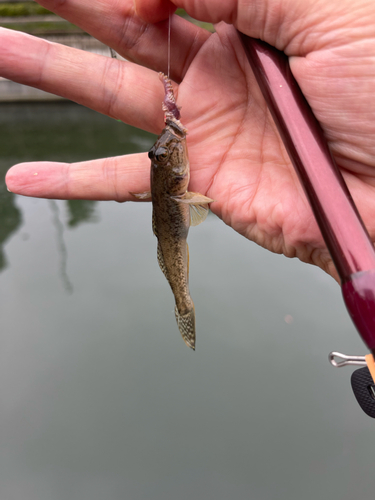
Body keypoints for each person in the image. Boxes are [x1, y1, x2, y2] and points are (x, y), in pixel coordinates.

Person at [2, 0, 375, 283]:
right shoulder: (180, 180)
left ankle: (180, 295)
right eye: (161, 156)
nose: (167, 148)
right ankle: (182, 298)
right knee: (173, 259)